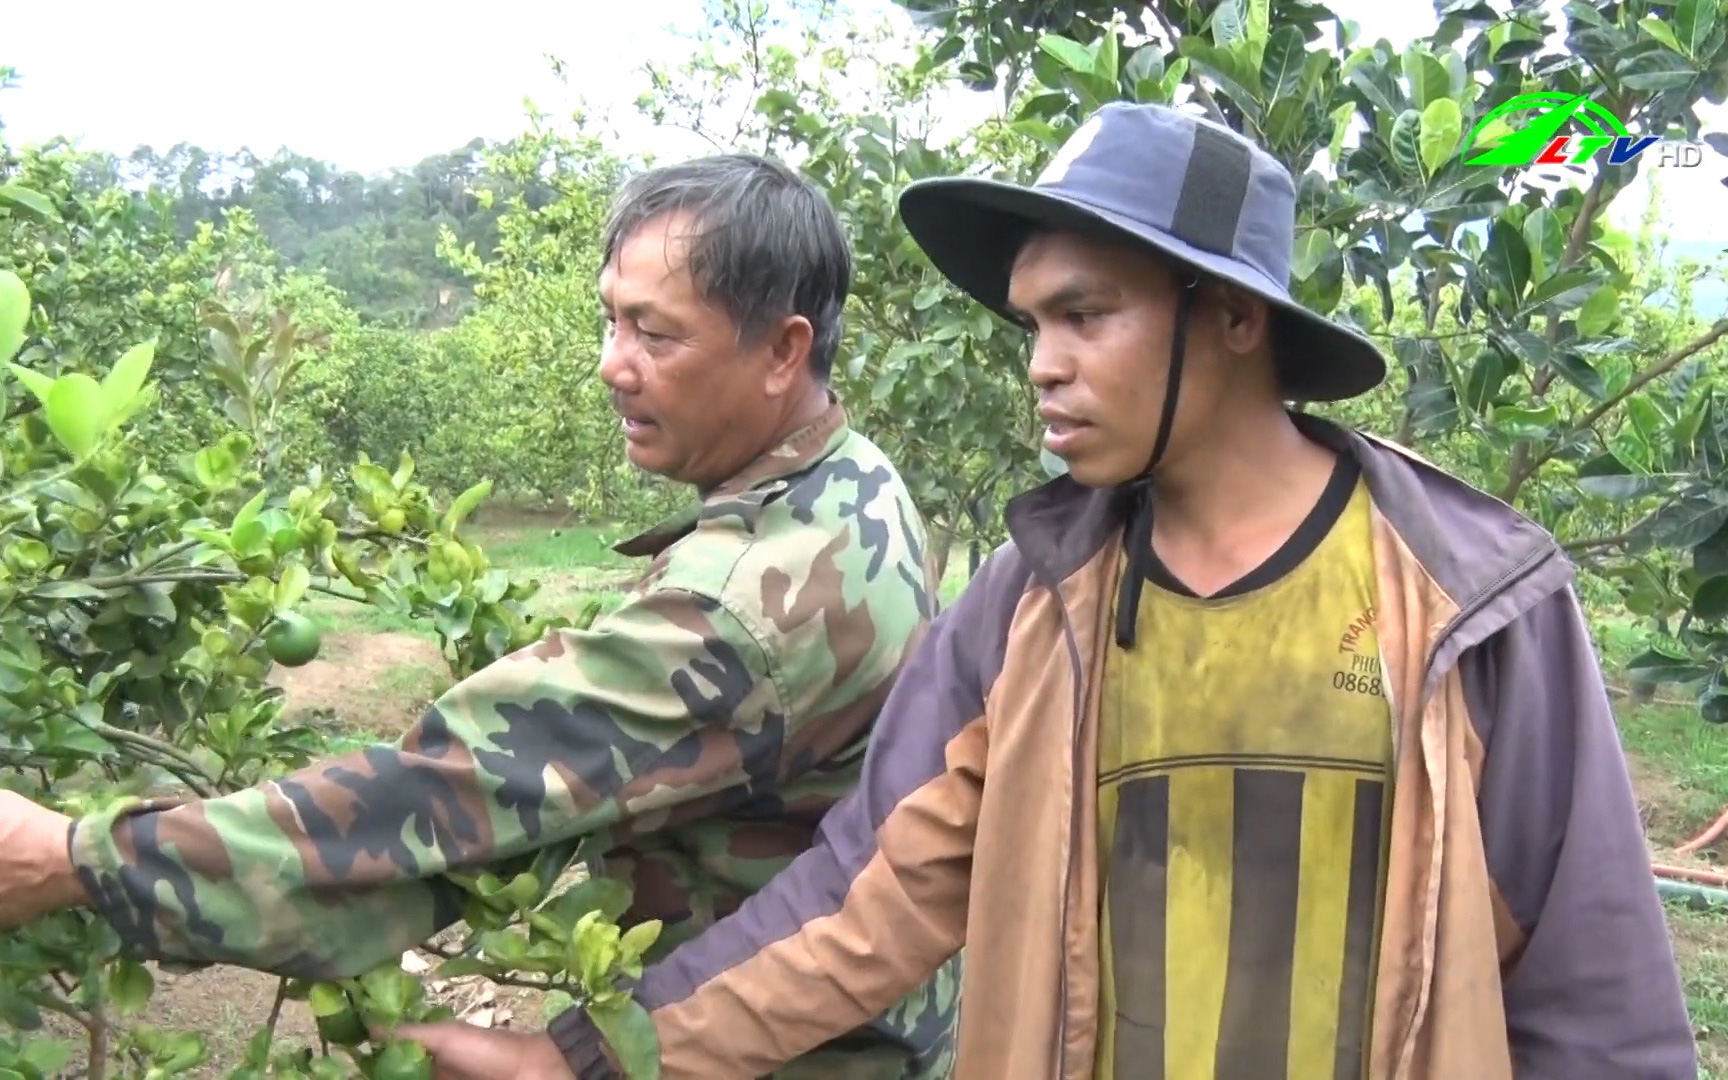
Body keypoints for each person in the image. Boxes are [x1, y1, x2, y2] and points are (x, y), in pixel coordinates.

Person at [386, 101, 1699, 1079]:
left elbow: (1596, 1005)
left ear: (1234, 315)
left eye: (1087, 316)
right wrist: (592, 1054)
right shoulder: (1036, 607)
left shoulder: (1467, 604)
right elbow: (858, 901)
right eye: (1033, 327)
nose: (1043, 366)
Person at [0, 152, 962, 1079]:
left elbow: (443, 792)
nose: (609, 366)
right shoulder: (853, 476)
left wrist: (80, 857)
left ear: (782, 351)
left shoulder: (741, 606)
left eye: (654, 334)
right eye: (610, 322)